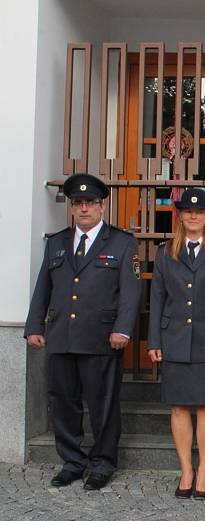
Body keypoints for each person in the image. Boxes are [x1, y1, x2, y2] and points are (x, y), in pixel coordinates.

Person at [24, 173, 141, 490]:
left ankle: (103, 463)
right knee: (64, 403)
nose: (84, 208)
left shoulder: (122, 242)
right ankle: (72, 462)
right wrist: (34, 326)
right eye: (78, 203)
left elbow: (131, 293)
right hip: (62, 335)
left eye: (90, 202)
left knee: (102, 404)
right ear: (72, 208)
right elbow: (43, 288)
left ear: (102, 206)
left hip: (101, 339)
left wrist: (123, 330)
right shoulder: (57, 242)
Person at [147, 188, 205, 500]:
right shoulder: (165, 252)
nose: (194, 215)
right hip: (173, 339)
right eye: (187, 211)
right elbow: (156, 298)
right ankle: (186, 468)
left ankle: (204, 469)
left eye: (200, 211)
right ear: (180, 216)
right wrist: (153, 340)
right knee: (179, 406)